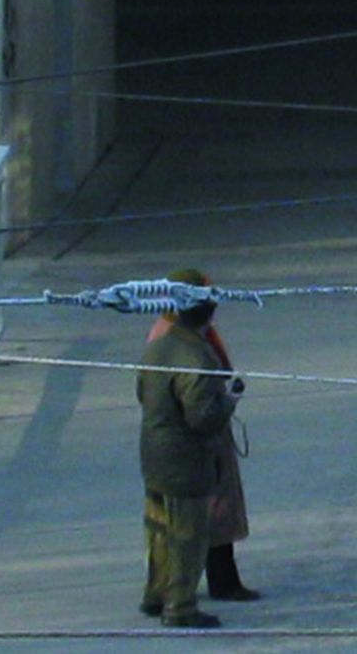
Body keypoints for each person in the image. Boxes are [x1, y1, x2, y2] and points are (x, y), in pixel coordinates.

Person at [136, 268, 238, 629]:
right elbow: (201, 417)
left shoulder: (156, 347)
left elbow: (141, 392)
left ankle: (156, 593)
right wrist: (229, 402)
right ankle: (180, 606)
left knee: (159, 531)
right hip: (186, 460)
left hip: (153, 451)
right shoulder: (197, 356)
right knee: (188, 536)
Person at [200, 305, 259, 603]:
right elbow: (201, 412)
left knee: (207, 511)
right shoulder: (189, 347)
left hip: (188, 440)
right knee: (216, 510)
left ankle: (167, 590)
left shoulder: (183, 339)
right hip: (198, 442)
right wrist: (229, 401)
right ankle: (220, 582)